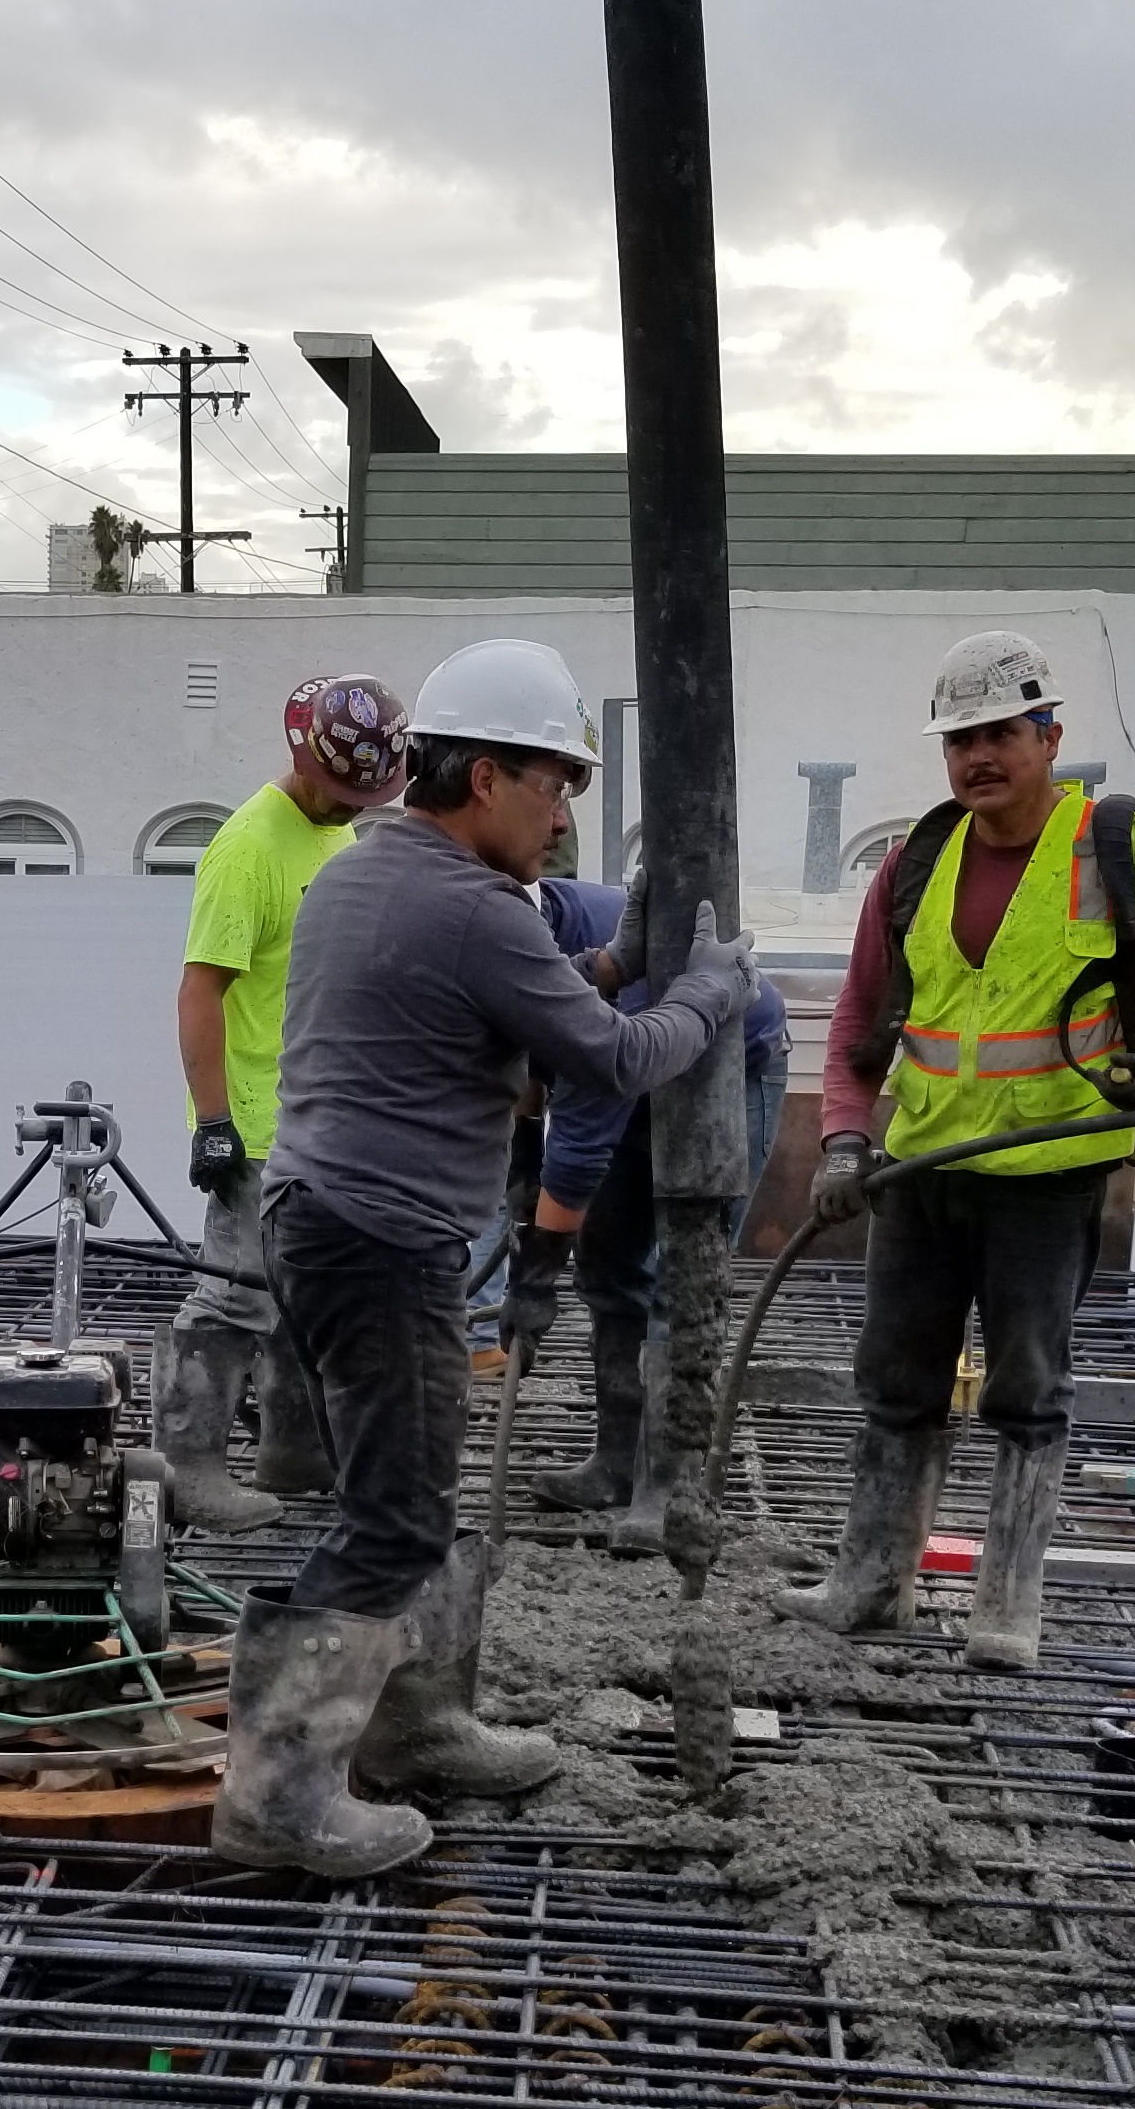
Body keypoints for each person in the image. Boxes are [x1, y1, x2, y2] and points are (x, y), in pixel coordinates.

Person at [218, 638, 750, 1877]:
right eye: (552, 781)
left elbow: (501, 1007)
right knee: (395, 1520)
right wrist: (713, 991)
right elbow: (610, 1060)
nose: (563, 812)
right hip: (380, 1239)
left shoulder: (365, 871)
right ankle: (277, 1797)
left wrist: (611, 967)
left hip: (324, 1221)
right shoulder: (471, 906)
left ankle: (416, 1729)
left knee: (403, 1498)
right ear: (482, 778)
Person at [784, 631, 1135, 1666]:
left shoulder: (1118, 850)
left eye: (1001, 732)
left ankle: (1006, 1605)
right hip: (920, 1175)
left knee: (1026, 1388)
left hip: (1047, 1177)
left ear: (1050, 736)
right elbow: (861, 1019)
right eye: (960, 739)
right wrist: (843, 1142)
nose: (978, 757)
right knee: (896, 1381)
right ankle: (871, 1584)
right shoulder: (916, 863)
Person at [163, 674, 412, 1531]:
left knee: (306, 1298)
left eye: (367, 795)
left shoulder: (334, 839)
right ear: (304, 760)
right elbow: (201, 993)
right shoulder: (247, 849)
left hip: (318, 1121)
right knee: (234, 1294)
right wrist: (213, 1122)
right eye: (345, 791)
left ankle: (293, 1456)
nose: (355, 807)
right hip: (259, 1123)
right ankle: (189, 1470)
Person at [508, 850, 791, 1537]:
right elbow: (524, 1058)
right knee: (608, 1269)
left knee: (681, 1281)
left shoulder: (580, 961)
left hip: (728, 1066)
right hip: (637, 1067)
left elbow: (577, 1151)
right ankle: (614, 1465)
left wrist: (537, 1273)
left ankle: (667, 1487)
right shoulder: (503, 941)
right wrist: (522, 1156)